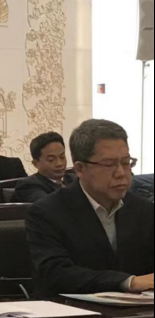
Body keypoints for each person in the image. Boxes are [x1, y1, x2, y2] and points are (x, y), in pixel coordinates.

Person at [26, 120, 154, 297]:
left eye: (126, 163)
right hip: (71, 311)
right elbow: (56, 274)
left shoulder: (144, 209)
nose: (121, 173)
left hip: (139, 311)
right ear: (80, 169)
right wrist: (128, 282)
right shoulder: (47, 212)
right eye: (109, 164)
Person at [13, 132, 75, 203]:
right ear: (36, 163)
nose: (59, 163)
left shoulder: (75, 179)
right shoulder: (28, 185)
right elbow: (49, 205)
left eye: (62, 157)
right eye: (51, 160)